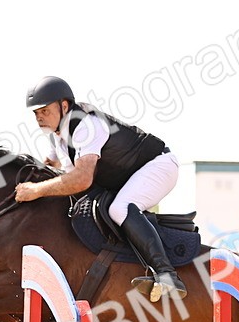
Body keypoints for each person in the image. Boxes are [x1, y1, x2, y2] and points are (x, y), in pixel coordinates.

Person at [14, 76, 185, 302]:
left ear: (64, 106)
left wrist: (36, 191)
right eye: (36, 113)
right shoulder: (58, 135)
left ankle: (167, 274)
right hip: (129, 175)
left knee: (120, 208)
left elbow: (82, 179)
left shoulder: (86, 126)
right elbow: (49, 169)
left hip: (158, 166)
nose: (39, 118)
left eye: (44, 111)